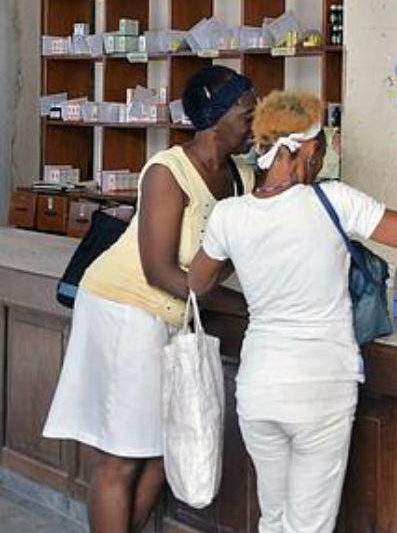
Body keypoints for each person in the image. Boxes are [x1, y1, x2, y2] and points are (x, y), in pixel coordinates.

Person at [187, 91, 397, 533]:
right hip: (320, 390)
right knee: (309, 526)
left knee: (275, 519)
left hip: (258, 390)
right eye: (322, 146)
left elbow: (195, 282)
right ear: (305, 148)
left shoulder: (230, 215)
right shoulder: (334, 203)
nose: (323, 157)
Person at [43, 66, 257, 533]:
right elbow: (158, 269)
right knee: (121, 457)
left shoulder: (240, 176)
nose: (253, 124)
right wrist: (248, 307)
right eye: (246, 114)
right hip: (124, 311)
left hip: (173, 319)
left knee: (161, 455)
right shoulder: (167, 171)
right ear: (215, 117)